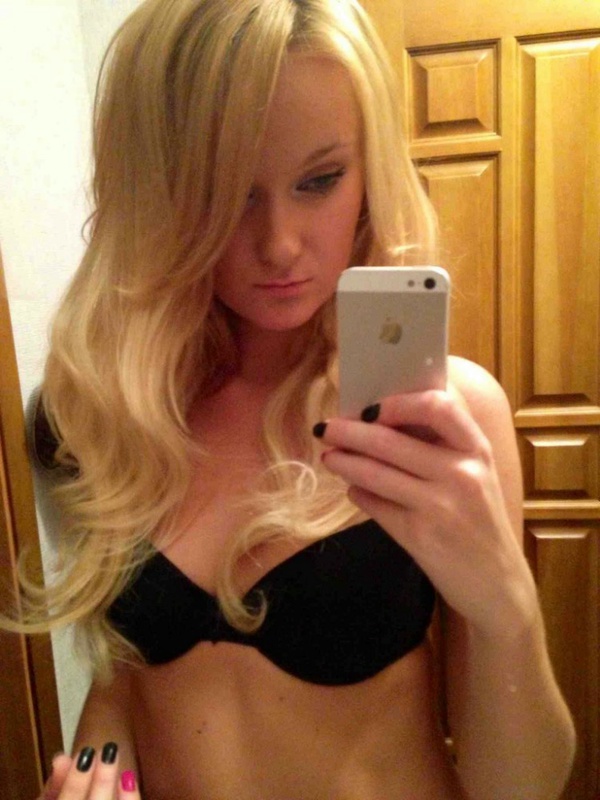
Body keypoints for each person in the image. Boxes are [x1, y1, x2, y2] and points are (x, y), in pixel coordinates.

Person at [6, 0, 576, 798]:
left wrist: (505, 611)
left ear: (369, 174)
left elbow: (520, 787)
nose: (278, 244)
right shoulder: (117, 412)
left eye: (319, 180)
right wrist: (98, 779)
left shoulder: (443, 416)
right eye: (227, 191)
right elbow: (121, 687)